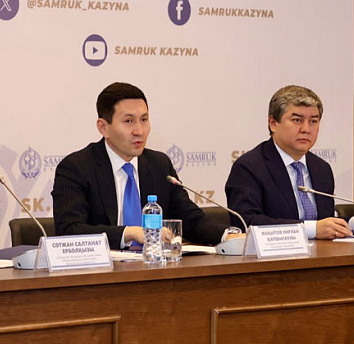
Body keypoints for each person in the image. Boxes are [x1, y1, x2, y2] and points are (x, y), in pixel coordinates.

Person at [52, 82, 243, 250]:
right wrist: (130, 233)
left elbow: (191, 222)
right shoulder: (77, 167)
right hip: (102, 273)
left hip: (153, 269)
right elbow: (69, 230)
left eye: (144, 119)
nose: (139, 131)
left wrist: (230, 236)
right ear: (103, 127)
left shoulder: (159, 165)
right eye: (128, 121)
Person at [225, 85, 354, 239]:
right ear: (273, 123)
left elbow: (323, 220)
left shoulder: (321, 168)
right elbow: (246, 223)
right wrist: (312, 229)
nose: (306, 129)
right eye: (297, 120)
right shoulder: (249, 167)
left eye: (313, 121)